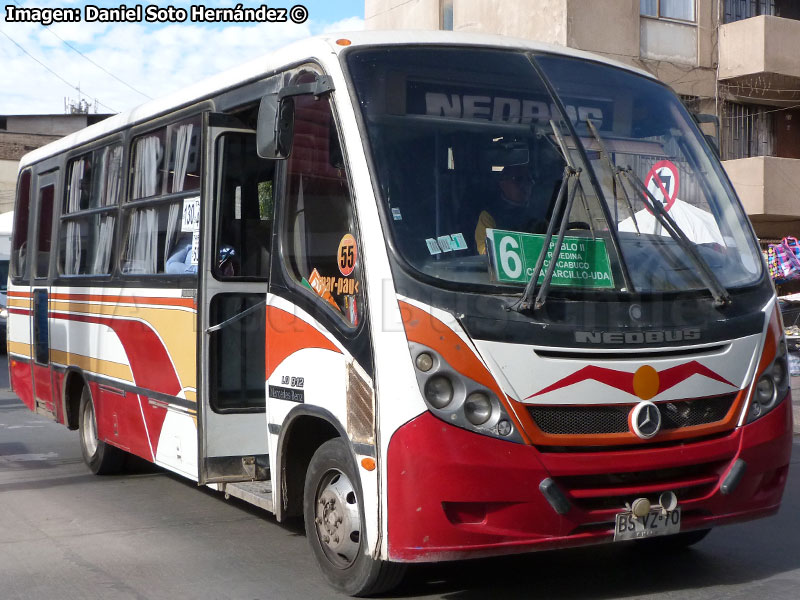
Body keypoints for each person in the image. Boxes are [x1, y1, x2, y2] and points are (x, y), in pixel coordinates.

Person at [474, 164, 545, 254]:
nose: (525, 184)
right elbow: (487, 253)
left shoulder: (540, 212)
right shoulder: (489, 216)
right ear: (503, 184)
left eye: (529, 179)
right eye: (518, 179)